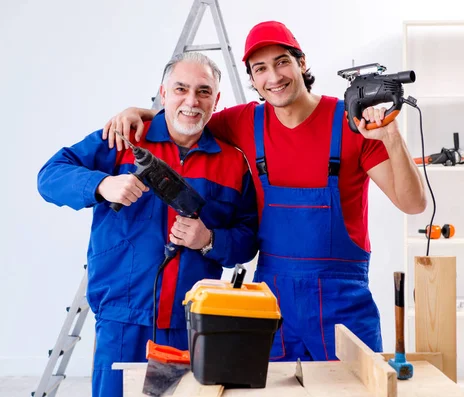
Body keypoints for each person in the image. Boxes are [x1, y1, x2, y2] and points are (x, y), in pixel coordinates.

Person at [103, 21, 426, 362]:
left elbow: (413, 203)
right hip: (271, 302)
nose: (273, 77)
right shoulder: (244, 122)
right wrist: (137, 112)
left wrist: (391, 134)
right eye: (261, 69)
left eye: (282, 61)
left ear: (301, 63)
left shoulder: (349, 121)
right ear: (252, 80)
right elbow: (187, 117)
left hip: (341, 304)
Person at [37, 51, 258, 397]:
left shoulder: (233, 163)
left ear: (216, 100)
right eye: (181, 89)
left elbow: (247, 240)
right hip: (123, 319)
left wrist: (209, 240)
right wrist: (100, 185)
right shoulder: (122, 138)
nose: (191, 101)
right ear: (163, 93)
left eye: (203, 92)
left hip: (193, 322)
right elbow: (49, 176)